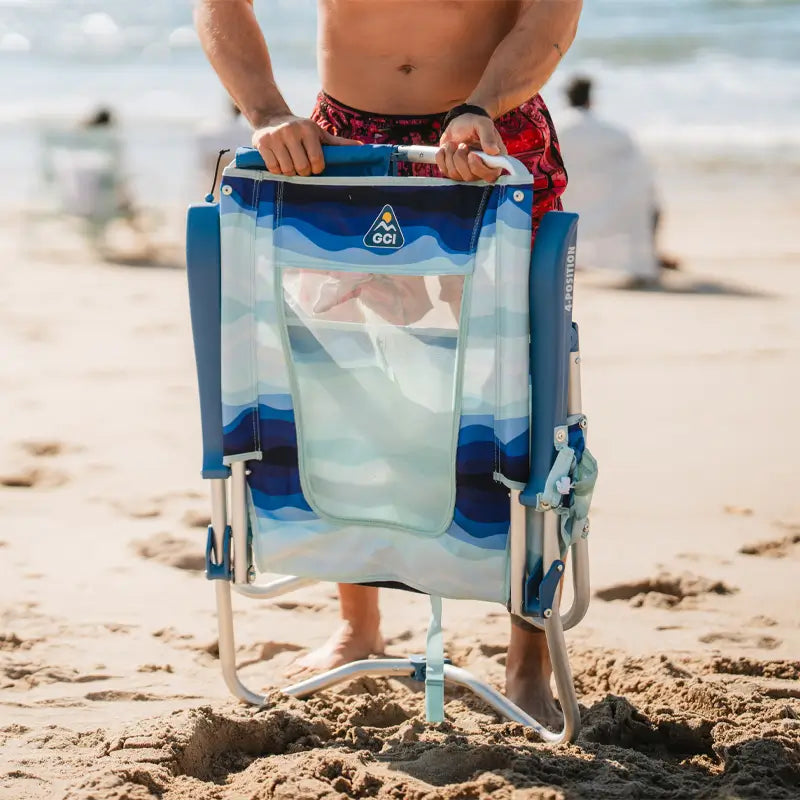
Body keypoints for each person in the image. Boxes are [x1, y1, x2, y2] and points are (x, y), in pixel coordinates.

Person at [195, 0, 582, 726]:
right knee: (340, 387)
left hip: (488, 138)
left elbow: (549, 21)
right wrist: (266, 111)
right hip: (340, 140)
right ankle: (356, 625)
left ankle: (526, 656)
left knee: (523, 399)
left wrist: (481, 105)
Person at [557, 76, 678, 287]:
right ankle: (647, 259)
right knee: (647, 204)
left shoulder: (557, 128)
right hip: (607, 202)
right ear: (590, 100)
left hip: (570, 203)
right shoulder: (613, 131)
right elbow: (640, 170)